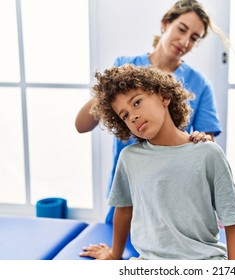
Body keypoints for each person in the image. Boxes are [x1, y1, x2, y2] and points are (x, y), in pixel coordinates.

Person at [75, 0, 227, 223]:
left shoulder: (200, 84)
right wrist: (112, 85)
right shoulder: (126, 65)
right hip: (128, 196)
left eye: (194, 38)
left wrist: (202, 140)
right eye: (182, 29)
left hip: (171, 198)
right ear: (166, 24)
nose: (185, 41)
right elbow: (81, 125)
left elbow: (206, 147)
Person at [80, 64, 235, 260]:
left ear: (164, 97)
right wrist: (114, 255)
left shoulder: (207, 153)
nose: (132, 116)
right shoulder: (129, 158)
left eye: (136, 102)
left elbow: (233, 221)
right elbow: (123, 209)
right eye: (124, 115)